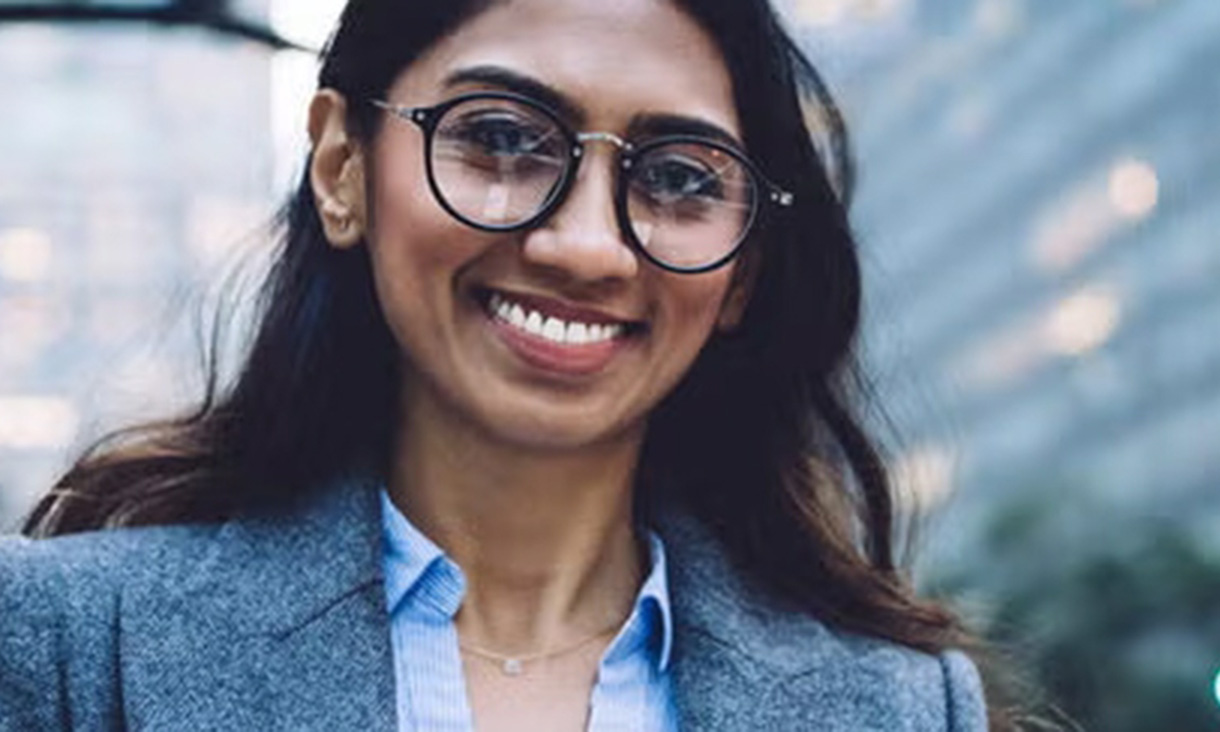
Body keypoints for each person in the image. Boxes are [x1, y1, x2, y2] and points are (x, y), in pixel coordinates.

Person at [0, 0, 1002, 729]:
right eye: (502, 139)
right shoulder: (63, 643)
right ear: (343, 169)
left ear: (741, 272)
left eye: (678, 179)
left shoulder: (903, 709)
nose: (585, 246)